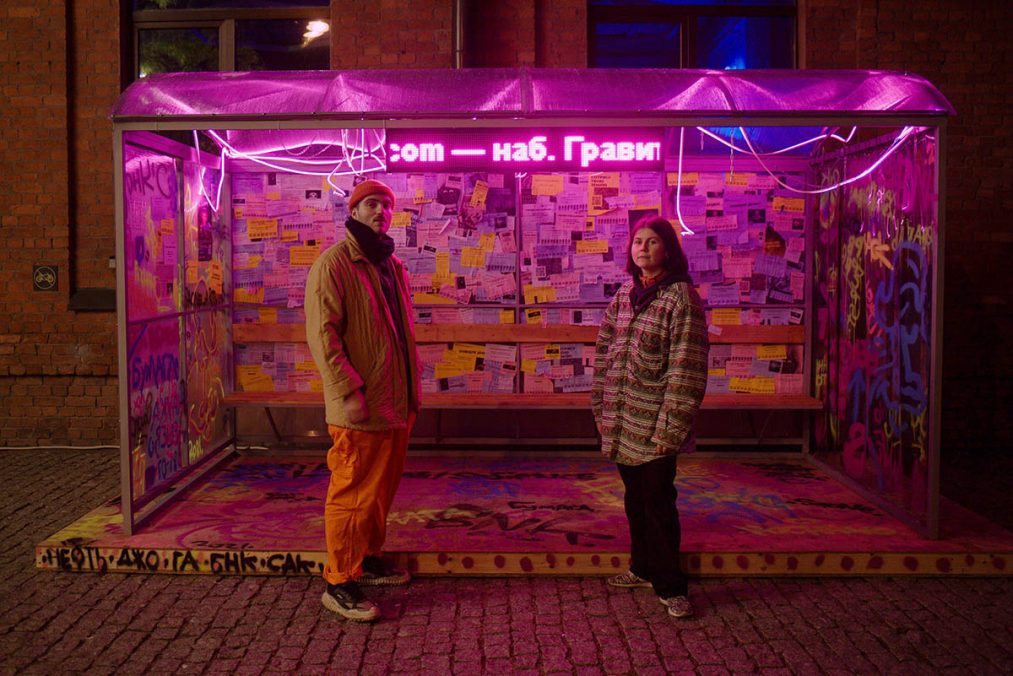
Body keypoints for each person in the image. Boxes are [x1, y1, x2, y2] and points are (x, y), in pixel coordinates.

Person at [305, 178, 420, 622]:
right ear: (353, 212)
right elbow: (323, 336)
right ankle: (339, 582)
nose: (380, 212)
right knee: (352, 492)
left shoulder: (390, 266)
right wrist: (347, 392)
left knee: (377, 491)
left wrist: (411, 395)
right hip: (361, 405)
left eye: (387, 206)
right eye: (371, 204)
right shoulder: (334, 265)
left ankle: (366, 558)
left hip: (394, 402)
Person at [591, 215, 709, 619]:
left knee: (659, 503)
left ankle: (671, 585)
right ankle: (642, 567)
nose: (642, 248)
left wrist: (672, 427)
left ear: (669, 250)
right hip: (624, 423)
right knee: (635, 500)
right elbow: (604, 353)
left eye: (652, 242)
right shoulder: (625, 294)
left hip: (657, 425)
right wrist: (600, 410)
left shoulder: (681, 298)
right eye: (637, 241)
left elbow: (686, 367)